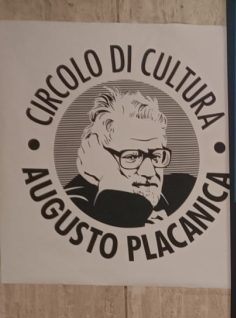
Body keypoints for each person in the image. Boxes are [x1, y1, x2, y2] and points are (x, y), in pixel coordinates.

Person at [64, 87, 195, 228]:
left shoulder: (186, 190)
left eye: (156, 156)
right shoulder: (71, 205)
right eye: (132, 157)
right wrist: (110, 181)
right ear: (99, 155)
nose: (149, 172)